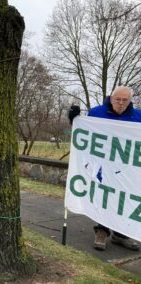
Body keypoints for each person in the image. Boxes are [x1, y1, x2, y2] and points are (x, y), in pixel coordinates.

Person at [68, 85, 141, 251]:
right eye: (118, 100)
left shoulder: (138, 117)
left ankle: (121, 235)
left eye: (125, 100)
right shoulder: (96, 112)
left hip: (127, 170)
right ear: (111, 98)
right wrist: (75, 120)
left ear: (130, 101)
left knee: (124, 198)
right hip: (102, 166)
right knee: (103, 195)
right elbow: (85, 132)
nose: (121, 103)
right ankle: (101, 231)